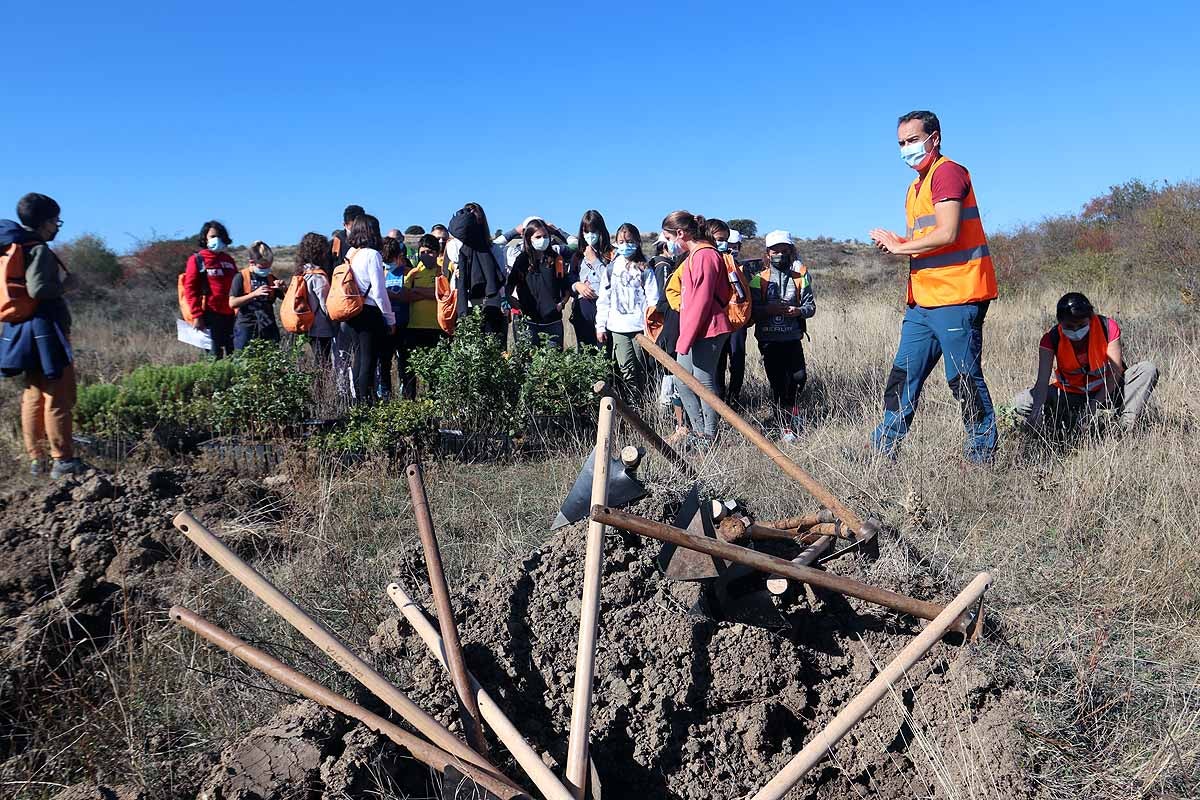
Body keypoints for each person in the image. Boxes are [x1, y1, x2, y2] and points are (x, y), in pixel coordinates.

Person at [868, 110, 998, 464]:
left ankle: (981, 456)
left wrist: (898, 247)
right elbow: (928, 238)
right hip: (923, 302)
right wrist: (899, 240)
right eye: (901, 143)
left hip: (957, 296)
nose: (906, 148)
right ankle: (882, 450)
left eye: (912, 140)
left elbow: (948, 232)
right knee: (902, 377)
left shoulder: (947, 173)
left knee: (964, 380)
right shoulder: (916, 185)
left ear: (934, 138)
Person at [0, 193, 87, 479]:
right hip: (46, 328)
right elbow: (39, 289)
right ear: (44, 222)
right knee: (58, 393)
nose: (58, 226)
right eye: (55, 220)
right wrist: (64, 286)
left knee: (33, 394)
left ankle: (37, 459)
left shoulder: (13, 245)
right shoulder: (38, 249)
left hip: (21, 327)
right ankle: (63, 460)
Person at [1013, 292, 1158, 433]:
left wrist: (1092, 407)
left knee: (1147, 369)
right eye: (1069, 326)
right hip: (1071, 395)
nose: (1076, 331)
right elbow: (1042, 382)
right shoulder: (1051, 339)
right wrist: (1036, 411)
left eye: (1081, 325)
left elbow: (1115, 374)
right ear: (1060, 322)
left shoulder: (1107, 327)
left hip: (1109, 392)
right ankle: (1062, 421)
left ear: (1091, 318)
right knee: (1020, 403)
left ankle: (1124, 427)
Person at [662, 210, 733, 444]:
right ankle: (699, 431)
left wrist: (685, 339)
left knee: (703, 382)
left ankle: (709, 435)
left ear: (681, 233)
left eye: (669, 238)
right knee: (682, 380)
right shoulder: (694, 255)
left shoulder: (705, 255)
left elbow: (701, 302)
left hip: (709, 329)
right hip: (695, 330)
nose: (669, 244)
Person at [751, 230, 816, 440]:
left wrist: (797, 311)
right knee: (778, 382)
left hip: (792, 337)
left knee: (798, 378)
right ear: (768, 254)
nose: (780, 254)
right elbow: (750, 310)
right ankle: (784, 425)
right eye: (775, 251)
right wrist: (767, 310)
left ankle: (792, 413)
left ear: (791, 252)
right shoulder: (758, 279)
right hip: (769, 340)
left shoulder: (800, 278)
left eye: (784, 250)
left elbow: (810, 307)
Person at [596, 223, 658, 396]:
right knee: (626, 369)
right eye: (621, 241)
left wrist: (650, 328)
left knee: (642, 368)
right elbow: (604, 300)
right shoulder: (611, 269)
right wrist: (600, 326)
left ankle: (645, 401)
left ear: (637, 242)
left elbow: (653, 300)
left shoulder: (645, 268)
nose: (625, 245)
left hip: (640, 329)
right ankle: (632, 404)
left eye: (629, 241)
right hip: (618, 328)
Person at [341, 214, 395, 403]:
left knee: (359, 358)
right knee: (369, 360)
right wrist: (390, 319)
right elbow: (379, 292)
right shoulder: (372, 255)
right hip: (369, 312)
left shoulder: (351, 254)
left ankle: (357, 404)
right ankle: (366, 403)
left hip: (353, 311)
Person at [505, 218, 570, 349]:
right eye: (538, 237)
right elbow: (510, 285)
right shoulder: (522, 260)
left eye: (545, 236)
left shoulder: (556, 258)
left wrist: (562, 304)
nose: (543, 239)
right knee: (527, 366)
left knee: (554, 365)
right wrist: (511, 301)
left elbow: (566, 287)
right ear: (529, 239)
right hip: (528, 323)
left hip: (553, 323)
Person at [448, 202, 507, 345]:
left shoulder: (493, 249)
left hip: (489, 306)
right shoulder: (455, 247)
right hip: (467, 305)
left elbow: (501, 279)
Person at [181, 220, 238, 358]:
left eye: (219, 236)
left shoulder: (229, 260)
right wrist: (197, 315)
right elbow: (190, 289)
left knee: (234, 355)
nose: (216, 239)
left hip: (231, 315)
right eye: (212, 236)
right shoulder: (198, 260)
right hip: (209, 315)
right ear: (205, 238)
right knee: (214, 357)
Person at [400, 234, 446, 396]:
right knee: (410, 369)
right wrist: (428, 293)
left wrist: (418, 291)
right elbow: (405, 295)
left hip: (436, 326)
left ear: (437, 252)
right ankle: (409, 401)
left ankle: (434, 402)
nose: (426, 255)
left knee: (435, 370)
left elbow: (443, 294)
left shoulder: (442, 270)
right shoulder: (413, 273)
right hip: (414, 326)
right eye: (423, 252)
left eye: (430, 252)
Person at [708, 219, 747, 407]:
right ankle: (720, 400)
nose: (728, 247)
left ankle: (735, 398)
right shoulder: (712, 262)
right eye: (724, 243)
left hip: (737, 322)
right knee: (718, 363)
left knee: (737, 360)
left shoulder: (743, 268)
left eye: (732, 245)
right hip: (719, 321)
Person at [568, 210, 613, 350]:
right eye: (586, 232)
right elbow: (570, 279)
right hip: (583, 312)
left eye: (593, 231)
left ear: (601, 231)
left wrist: (594, 261)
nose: (590, 235)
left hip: (606, 311)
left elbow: (612, 279)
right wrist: (577, 285)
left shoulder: (611, 254)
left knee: (606, 351)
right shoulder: (577, 256)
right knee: (586, 352)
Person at [229, 241, 284, 351]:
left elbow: (286, 300)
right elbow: (232, 303)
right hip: (246, 327)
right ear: (252, 262)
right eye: (262, 267)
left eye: (268, 266)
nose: (266, 270)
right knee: (243, 361)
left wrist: (283, 288)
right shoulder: (241, 277)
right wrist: (253, 294)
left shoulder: (271, 278)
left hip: (268, 326)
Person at [295, 233, 335, 364]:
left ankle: (318, 384)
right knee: (324, 363)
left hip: (308, 324)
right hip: (322, 327)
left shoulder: (302, 272)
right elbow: (326, 305)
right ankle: (322, 385)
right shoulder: (318, 276)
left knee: (319, 361)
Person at [379, 236, 410, 399]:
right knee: (384, 363)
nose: (388, 264)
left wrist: (387, 294)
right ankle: (385, 396)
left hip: (403, 323)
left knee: (404, 363)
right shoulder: (380, 273)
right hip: (385, 325)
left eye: (391, 260)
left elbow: (408, 295)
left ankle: (407, 397)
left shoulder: (407, 273)